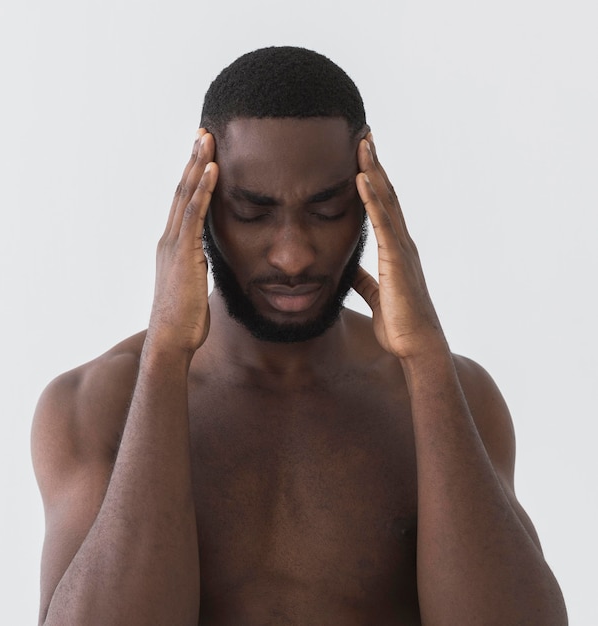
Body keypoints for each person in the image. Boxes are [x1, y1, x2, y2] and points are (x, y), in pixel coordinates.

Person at [31, 46, 567, 625]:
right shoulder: (96, 405)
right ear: (201, 206)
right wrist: (165, 355)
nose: (293, 255)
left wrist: (427, 360)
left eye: (328, 209)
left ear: (369, 198)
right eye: (254, 212)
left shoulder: (450, 393)